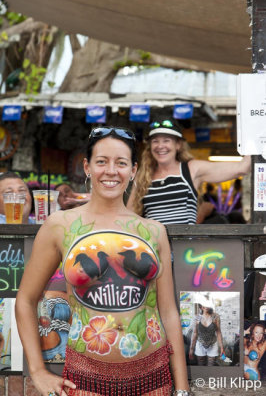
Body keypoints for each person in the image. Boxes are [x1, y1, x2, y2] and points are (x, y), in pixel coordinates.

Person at [15, 126, 192, 396]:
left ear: (133, 170)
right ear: (87, 167)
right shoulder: (60, 225)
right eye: (101, 161)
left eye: (121, 163)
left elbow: (167, 312)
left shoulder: (154, 231)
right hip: (85, 382)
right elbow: (26, 300)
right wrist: (37, 371)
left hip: (152, 381)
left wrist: (181, 389)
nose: (111, 171)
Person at [127, 118, 251, 225]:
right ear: (150, 146)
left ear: (178, 145)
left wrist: (258, 137)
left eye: (166, 140)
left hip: (186, 248)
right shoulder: (143, 176)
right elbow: (129, 217)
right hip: (154, 247)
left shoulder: (191, 170)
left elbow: (242, 167)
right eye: (155, 141)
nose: (160, 146)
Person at [189, 294, 225, 366]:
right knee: (201, 366)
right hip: (200, 345)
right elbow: (195, 333)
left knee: (211, 366)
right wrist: (191, 349)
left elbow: (218, 333)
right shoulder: (197, 317)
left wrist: (222, 348)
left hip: (213, 344)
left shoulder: (215, 316)